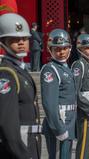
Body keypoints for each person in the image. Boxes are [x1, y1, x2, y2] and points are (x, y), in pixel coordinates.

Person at [0, 13, 41, 159]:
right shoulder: (6, 74)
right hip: (18, 149)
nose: (21, 42)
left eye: (24, 38)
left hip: (29, 143)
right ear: (3, 42)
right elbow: (7, 124)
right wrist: (22, 154)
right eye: (15, 39)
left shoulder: (20, 69)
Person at [41, 29, 77, 159]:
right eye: (57, 49)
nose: (61, 52)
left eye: (64, 48)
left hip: (68, 121)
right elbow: (49, 104)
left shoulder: (66, 68)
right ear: (50, 50)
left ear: (70, 48)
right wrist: (58, 128)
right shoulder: (51, 69)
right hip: (59, 123)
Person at [72, 34, 89, 159]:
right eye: (87, 48)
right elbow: (76, 92)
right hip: (85, 111)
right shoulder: (79, 65)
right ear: (80, 49)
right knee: (84, 144)